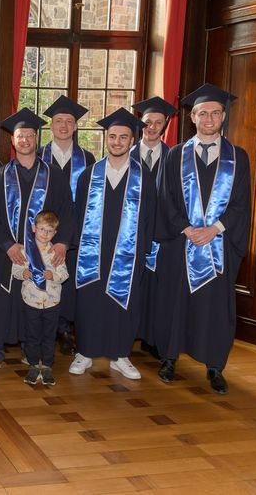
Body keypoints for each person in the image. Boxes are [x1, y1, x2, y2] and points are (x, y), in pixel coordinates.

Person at [154, 83, 251, 395]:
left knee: (215, 307)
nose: (209, 118)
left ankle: (214, 365)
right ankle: (169, 358)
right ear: (192, 117)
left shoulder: (238, 157)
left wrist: (215, 229)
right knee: (174, 302)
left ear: (223, 117)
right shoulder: (175, 156)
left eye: (215, 113)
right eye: (202, 113)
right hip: (181, 243)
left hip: (218, 245)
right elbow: (165, 199)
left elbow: (241, 203)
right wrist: (185, 227)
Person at [0, 108, 75, 379]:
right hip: (7, 252)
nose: (25, 141)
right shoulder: (0, 176)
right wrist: (7, 245)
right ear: (13, 140)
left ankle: (30, 352)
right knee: (0, 303)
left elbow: (67, 212)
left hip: (44, 252)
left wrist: (61, 244)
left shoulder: (54, 175)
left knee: (37, 303)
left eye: (30, 136)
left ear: (37, 139)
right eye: (20, 136)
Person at [69, 108, 156, 379]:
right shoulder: (88, 175)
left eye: (123, 137)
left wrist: (144, 255)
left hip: (128, 253)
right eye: (113, 136)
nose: (117, 142)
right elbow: (77, 216)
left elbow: (150, 221)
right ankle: (84, 352)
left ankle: (121, 355)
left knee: (124, 303)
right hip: (92, 252)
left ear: (132, 140)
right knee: (90, 301)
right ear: (106, 138)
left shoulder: (145, 178)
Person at [40, 95, 94, 357]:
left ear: (75, 127)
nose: (63, 125)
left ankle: (64, 330)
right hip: (43, 235)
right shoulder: (39, 156)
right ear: (51, 125)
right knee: (45, 279)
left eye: (69, 121)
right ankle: (45, 330)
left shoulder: (89, 158)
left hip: (76, 235)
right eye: (58, 120)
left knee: (69, 282)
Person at [131, 96, 178, 360]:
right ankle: (129, 335)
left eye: (158, 123)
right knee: (133, 284)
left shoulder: (174, 158)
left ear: (164, 126)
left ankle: (154, 339)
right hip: (132, 232)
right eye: (148, 122)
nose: (152, 127)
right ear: (141, 123)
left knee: (158, 289)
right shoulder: (125, 154)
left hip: (163, 235)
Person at [10, 211, 68, 386]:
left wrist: (53, 276)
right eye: (42, 229)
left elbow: (64, 274)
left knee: (49, 336)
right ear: (34, 228)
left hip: (51, 302)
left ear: (55, 233)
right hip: (31, 301)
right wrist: (23, 273)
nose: (45, 234)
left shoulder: (56, 252)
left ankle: (48, 366)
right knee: (32, 335)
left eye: (49, 231)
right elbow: (15, 271)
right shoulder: (24, 250)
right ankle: (34, 364)